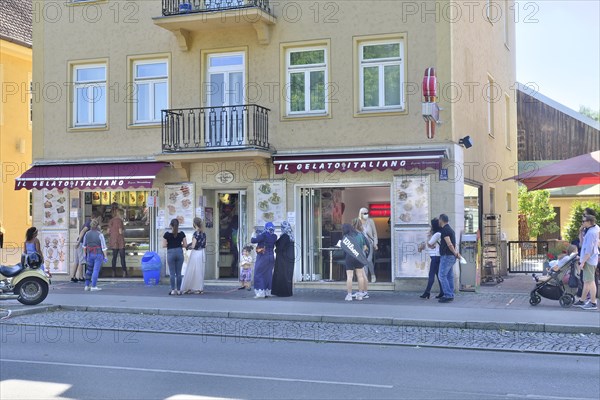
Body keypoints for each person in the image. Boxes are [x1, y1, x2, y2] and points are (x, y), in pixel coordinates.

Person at [574, 214, 599, 310]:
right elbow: (582, 243)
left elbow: (589, 250)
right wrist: (581, 231)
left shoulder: (591, 233)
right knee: (587, 281)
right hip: (591, 259)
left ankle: (593, 303)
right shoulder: (595, 228)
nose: (582, 223)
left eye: (583, 221)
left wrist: (583, 262)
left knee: (590, 281)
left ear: (589, 222)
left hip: (589, 260)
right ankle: (582, 300)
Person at [340, 223, 369, 301]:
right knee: (360, 276)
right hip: (358, 257)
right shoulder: (360, 235)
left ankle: (349, 295)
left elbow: (344, 248)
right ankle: (360, 295)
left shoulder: (346, 237)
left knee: (349, 276)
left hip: (349, 257)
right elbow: (364, 246)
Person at [72, 210, 101, 283]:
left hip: (79, 241)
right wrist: (79, 242)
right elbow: (83, 231)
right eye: (98, 218)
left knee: (77, 260)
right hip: (81, 243)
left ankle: (73, 276)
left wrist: (77, 241)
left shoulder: (87, 222)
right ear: (95, 218)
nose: (98, 220)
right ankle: (81, 277)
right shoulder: (89, 223)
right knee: (81, 261)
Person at [437, 214, 461, 303]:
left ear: (441, 220)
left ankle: (448, 295)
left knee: (442, 275)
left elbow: (449, 243)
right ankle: (450, 293)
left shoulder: (445, 230)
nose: (438, 221)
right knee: (449, 276)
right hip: (450, 256)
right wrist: (455, 253)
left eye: (439, 220)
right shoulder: (450, 229)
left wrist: (455, 253)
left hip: (447, 256)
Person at [418, 218, 444, 299]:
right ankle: (442, 292)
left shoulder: (437, 234)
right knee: (438, 275)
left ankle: (427, 292)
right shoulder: (436, 233)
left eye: (431, 225)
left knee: (431, 275)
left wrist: (427, 239)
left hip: (436, 257)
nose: (430, 226)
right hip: (436, 256)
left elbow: (430, 244)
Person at [250, 222, 277, 299]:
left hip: (263, 256)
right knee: (268, 274)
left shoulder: (263, 235)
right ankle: (267, 291)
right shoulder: (274, 236)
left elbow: (253, 240)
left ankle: (260, 292)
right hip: (271, 257)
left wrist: (254, 233)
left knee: (259, 273)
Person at [180, 217, 206, 295]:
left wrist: (187, 247)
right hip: (202, 252)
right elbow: (206, 244)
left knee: (192, 270)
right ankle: (199, 288)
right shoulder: (203, 233)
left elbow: (193, 246)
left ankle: (191, 287)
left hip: (196, 253)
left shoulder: (195, 233)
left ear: (194, 224)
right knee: (200, 270)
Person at [163, 218, 188, 296]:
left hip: (170, 252)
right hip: (179, 252)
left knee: (172, 273)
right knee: (179, 273)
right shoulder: (182, 234)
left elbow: (163, 245)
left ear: (170, 225)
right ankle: (179, 290)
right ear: (178, 225)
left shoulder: (166, 234)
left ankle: (173, 290)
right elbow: (185, 245)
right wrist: (179, 245)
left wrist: (170, 244)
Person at [82, 219, 108, 291]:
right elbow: (104, 247)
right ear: (97, 226)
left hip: (89, 254)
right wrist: (105, 256)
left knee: (89, 270)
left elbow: (84, 245)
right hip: (98, 254)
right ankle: (93, 286)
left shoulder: (87, 234)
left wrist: (84, 254)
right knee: (95, 270)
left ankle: (86, 286)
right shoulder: (100, 234)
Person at [272, 220, 295, 297]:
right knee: (287, 275)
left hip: (283, 259)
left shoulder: (285, 236)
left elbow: (280, 247)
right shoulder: (290, 235)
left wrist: (275, 249)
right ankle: (287, 292)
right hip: (288, 259)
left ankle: (282, 292)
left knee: (282, 275)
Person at [351, 218, 370, 299]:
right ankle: (365, 292)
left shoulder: (354, 234)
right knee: (363, 274)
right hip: (362, 255)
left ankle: (361, 292)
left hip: (357, 255)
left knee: (360, 275)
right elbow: (365, 246)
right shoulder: (362, 233)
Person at [359, 207, 378, 283]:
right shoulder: (358, 222)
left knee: (369, 260)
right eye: (364, 213)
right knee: (363, 260)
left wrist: (375, 243)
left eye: (367, 213)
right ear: (360, 214)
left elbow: (375, 233)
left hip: (369, 243)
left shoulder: (370, 221)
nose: (366, 214)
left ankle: (373, 274)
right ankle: (365, 277)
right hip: (361, 244)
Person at [108, 208, 127, 278]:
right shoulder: (120, 221)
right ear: (120, 214)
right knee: (122, 257)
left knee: (114, 257)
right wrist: (123, 232)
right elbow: (120, 232)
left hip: (113, 240)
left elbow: (108, 231)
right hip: (120, 241)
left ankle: (113, 272)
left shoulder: (111, 221)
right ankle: (124, 272)